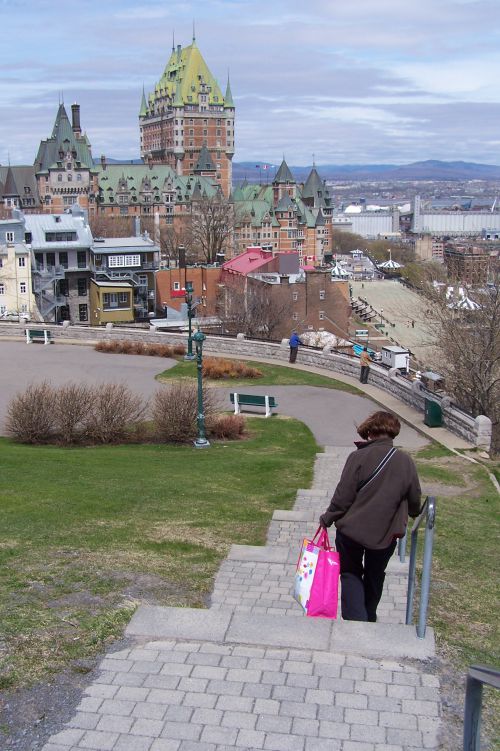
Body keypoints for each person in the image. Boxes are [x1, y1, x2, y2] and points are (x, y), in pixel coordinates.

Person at [319, 411, 421, 622]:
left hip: (351, 532)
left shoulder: (357, 457)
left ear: (370, 431)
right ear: (393, 433)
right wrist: (413, 512)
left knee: (350, 573)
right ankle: (369, 617)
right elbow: (414, 498)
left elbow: (343, 496)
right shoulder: (405, 461)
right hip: (385, 534)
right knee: (376, 575)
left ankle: (356, 621)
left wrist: (328, 517)